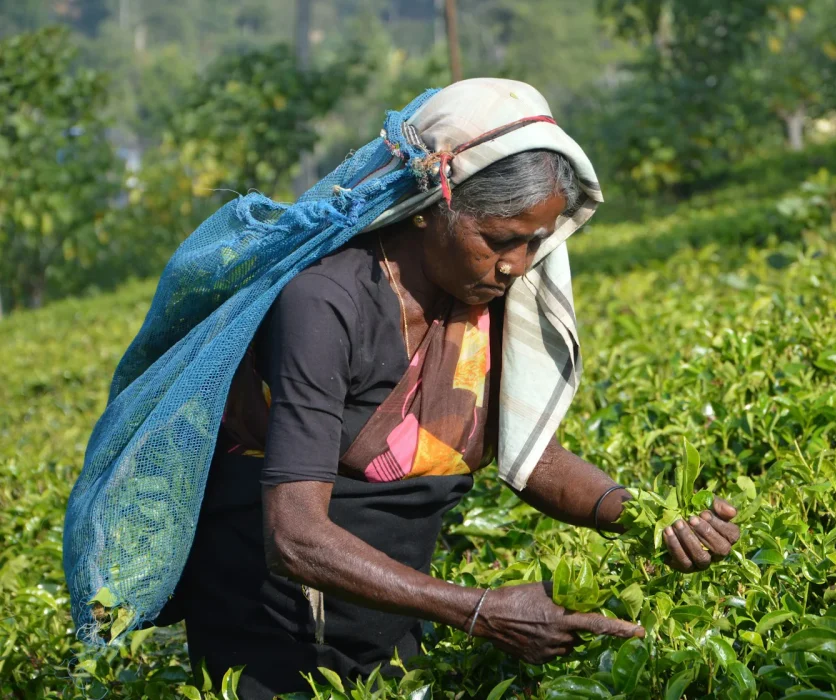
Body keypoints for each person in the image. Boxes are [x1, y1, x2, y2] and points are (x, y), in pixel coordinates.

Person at [162, 79, 741, 699]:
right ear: (431, 206)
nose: (517, 264)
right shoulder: (326, 300)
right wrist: (480, 609)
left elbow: (527, 451)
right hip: (267, 620)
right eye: (498, 240)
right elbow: (295, 535)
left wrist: (651, 520)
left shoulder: (486, 296)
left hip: (394, 602)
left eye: (534, 241)